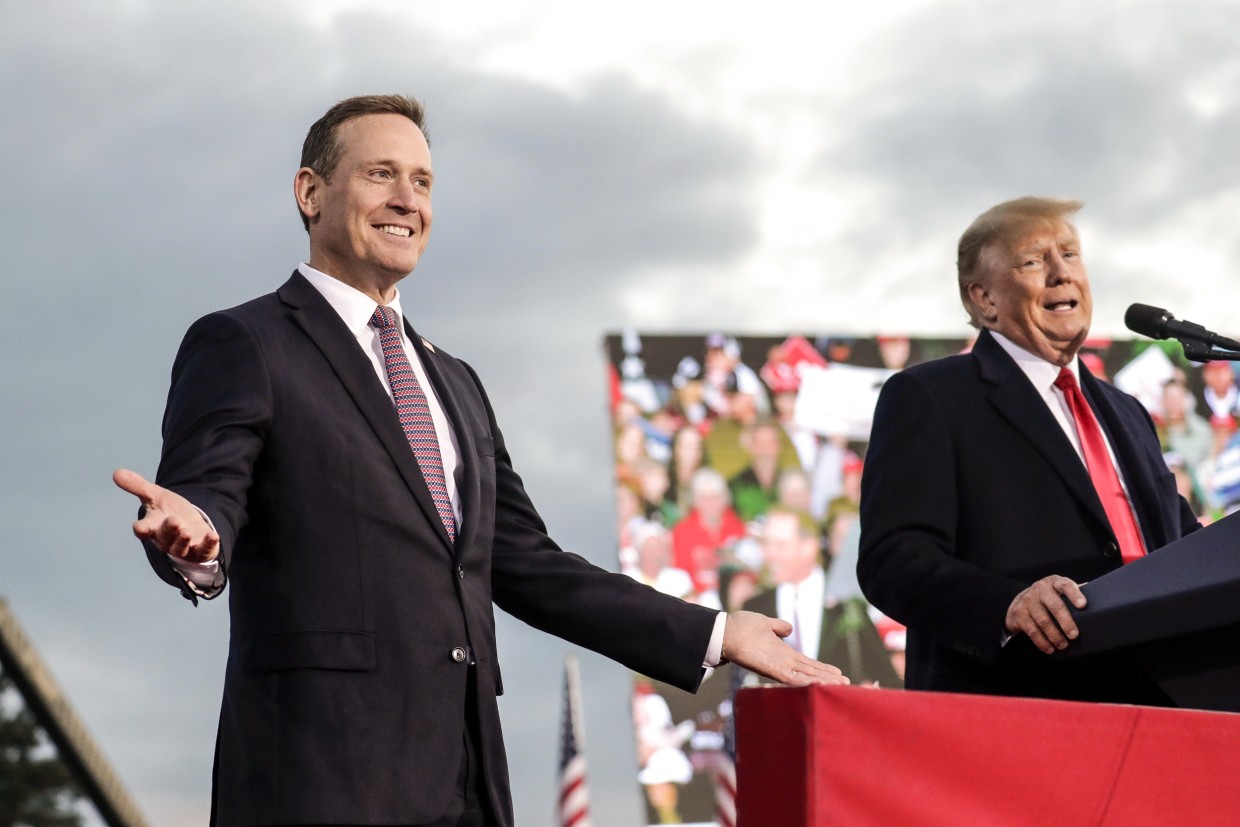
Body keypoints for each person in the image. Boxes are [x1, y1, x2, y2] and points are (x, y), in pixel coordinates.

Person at [112, 94, 846, 827]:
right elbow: (205, 498)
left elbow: (528, 563)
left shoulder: (454, 380)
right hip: (318, 778)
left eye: (424, 182)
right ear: (310, 192)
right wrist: (198, 537)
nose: (407, 199)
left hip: (466, 782)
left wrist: (716, 632)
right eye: (380, 175)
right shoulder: (246, 343)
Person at [858, 196, 1200, 704]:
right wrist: (1006, 607)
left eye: (1071, 254)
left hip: (1159, 703)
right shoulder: (931, 397)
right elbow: (894, 559)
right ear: (985, 299)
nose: (1062, 274)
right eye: (1034, 260)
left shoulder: (1127, 411)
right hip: (1018, 710)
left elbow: (1180, 547)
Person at [746, 508, 898, 687]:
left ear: (809, 547)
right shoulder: (755, 607)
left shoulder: (847, 602)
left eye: (780, 545)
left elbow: (883, 676)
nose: (769, 554)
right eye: (766, 544)